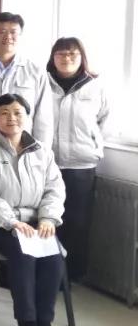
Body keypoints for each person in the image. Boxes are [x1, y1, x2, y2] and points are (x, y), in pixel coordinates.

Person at [0, 94, 66, 326]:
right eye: (4, 113)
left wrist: (48, 218)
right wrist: (11, 221)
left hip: (34, 222)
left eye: (18, 113)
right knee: (23, 253)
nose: (11, 118)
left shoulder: (42, 152)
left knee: (54, 258)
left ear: (27, 116)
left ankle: (45, 319)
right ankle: (27, 321)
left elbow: (55, 189)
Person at [47, 37, 110, 282]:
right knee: (47, 219)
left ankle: (71, 276)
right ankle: (47, 272)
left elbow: (104, 120)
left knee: (77, 221)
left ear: (82, 57)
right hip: (48, 164)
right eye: (61, 54)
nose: (67, 58)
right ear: (53, 57)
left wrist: (92, 143)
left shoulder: (95, 86)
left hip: (81, 165)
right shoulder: (43, 83)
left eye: (72, 54)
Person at [0, 12, 53, 149]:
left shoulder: (35, 72)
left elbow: (43, 119)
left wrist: (41, 153)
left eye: (13, 32)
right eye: (2, 32)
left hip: (23, 149)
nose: (8, 37)